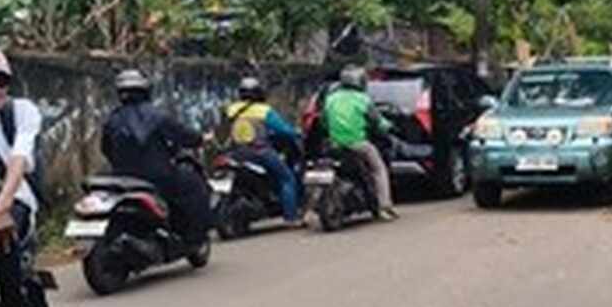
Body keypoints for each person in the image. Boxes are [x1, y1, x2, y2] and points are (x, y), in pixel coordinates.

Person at [100, 69, 212, 248]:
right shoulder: (158, 116)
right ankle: (194, 238)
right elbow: (184, 135)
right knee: (194, 185)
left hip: (122, 178)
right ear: (145, 90)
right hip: (158, 177)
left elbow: (106, 149)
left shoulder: (112, 120)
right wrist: (201, 139)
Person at [0, 47, 43, 307]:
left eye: (2, 80)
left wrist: (1, 207)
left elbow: (19, 159)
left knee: (0, 237)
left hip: (15, 199)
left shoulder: (20, 111)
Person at [226, 76, 304, 227]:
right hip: (260, 153)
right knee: (287, 179)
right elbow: (283, 129)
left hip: (236, 153)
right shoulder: (263, 110)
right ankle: (291, 217)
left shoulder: (231, 109)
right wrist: (296, 132)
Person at [322, 66, 397, 220]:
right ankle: (385, 206)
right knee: (379, 169)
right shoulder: (362, 99)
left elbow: (324, 121)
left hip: (334, 144)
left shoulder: (330, 98)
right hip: (358, 144)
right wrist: (388, 126)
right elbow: (377, 121)